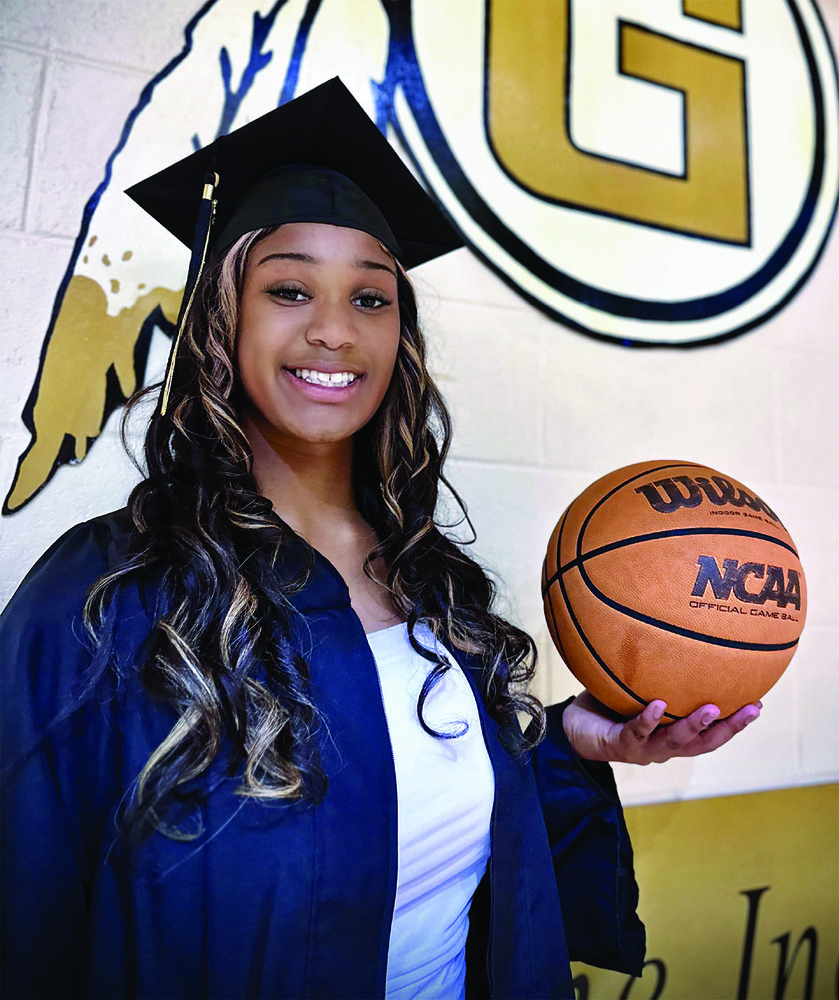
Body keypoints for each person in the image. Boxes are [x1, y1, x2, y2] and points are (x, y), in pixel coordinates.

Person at [0, 79, 760, 1000]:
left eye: (371, 298)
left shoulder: (432, 581)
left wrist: (567, 744)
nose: (332, 330)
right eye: (287, 288)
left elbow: (413, 804)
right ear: (221, 315)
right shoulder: (105, 596)